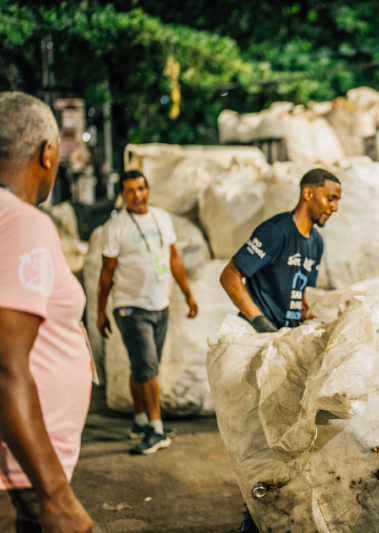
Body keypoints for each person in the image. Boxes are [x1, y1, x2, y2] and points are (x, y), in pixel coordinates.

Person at [219, 168, 341, 532]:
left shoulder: (315, 242)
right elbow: (230, 276)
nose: (334, 207)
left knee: (289, 437)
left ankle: (274, 517)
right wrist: (261, 324)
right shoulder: (276, 232)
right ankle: (254, 520)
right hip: (262, 345)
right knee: (262, 440)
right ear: (308, 193)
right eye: (330, 197)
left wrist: (319, 321)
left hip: (287, 346)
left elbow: (300, 294)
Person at [0, 92, 93, 532]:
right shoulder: (21, 222)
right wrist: (54, 495)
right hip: (21, 479)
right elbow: (6, 365)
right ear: (47, 152)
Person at [97, 170, 199, 455]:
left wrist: (188, 294)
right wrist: (101, 311)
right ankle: (156, 429)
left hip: (160, 305)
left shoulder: (161, 218)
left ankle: (140, 420)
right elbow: (106, 274)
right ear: (122, 195)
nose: (137, 195)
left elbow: (173, 258)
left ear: (148, 189)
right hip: (130, 307)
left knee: (141, 366)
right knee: (148, 368)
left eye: (141, 189)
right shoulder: (115, 228)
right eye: (129, 191)